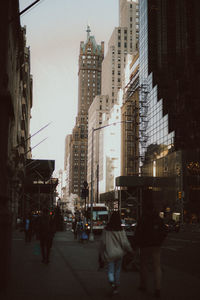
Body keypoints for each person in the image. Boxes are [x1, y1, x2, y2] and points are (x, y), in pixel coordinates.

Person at [134, 200, 168, 298]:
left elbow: (138, 233)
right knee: (157, 267)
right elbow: (165, 231)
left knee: (144, 265)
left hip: (145, 246)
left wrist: (136, 245)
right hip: (156, 246)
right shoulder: (158, 219)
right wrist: (160, 241)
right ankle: (158, 289)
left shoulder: (143, 219)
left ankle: (143, 285)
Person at [99, 211, 133, 296]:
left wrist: (101, 253)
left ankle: (112, 282)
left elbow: (103, 242)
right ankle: (116, 286)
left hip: (110, 253)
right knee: (117, 270)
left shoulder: (106, 230)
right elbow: (125, 243)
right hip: (119, 254)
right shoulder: (121, 230)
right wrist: (130, 250)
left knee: (110, 270)